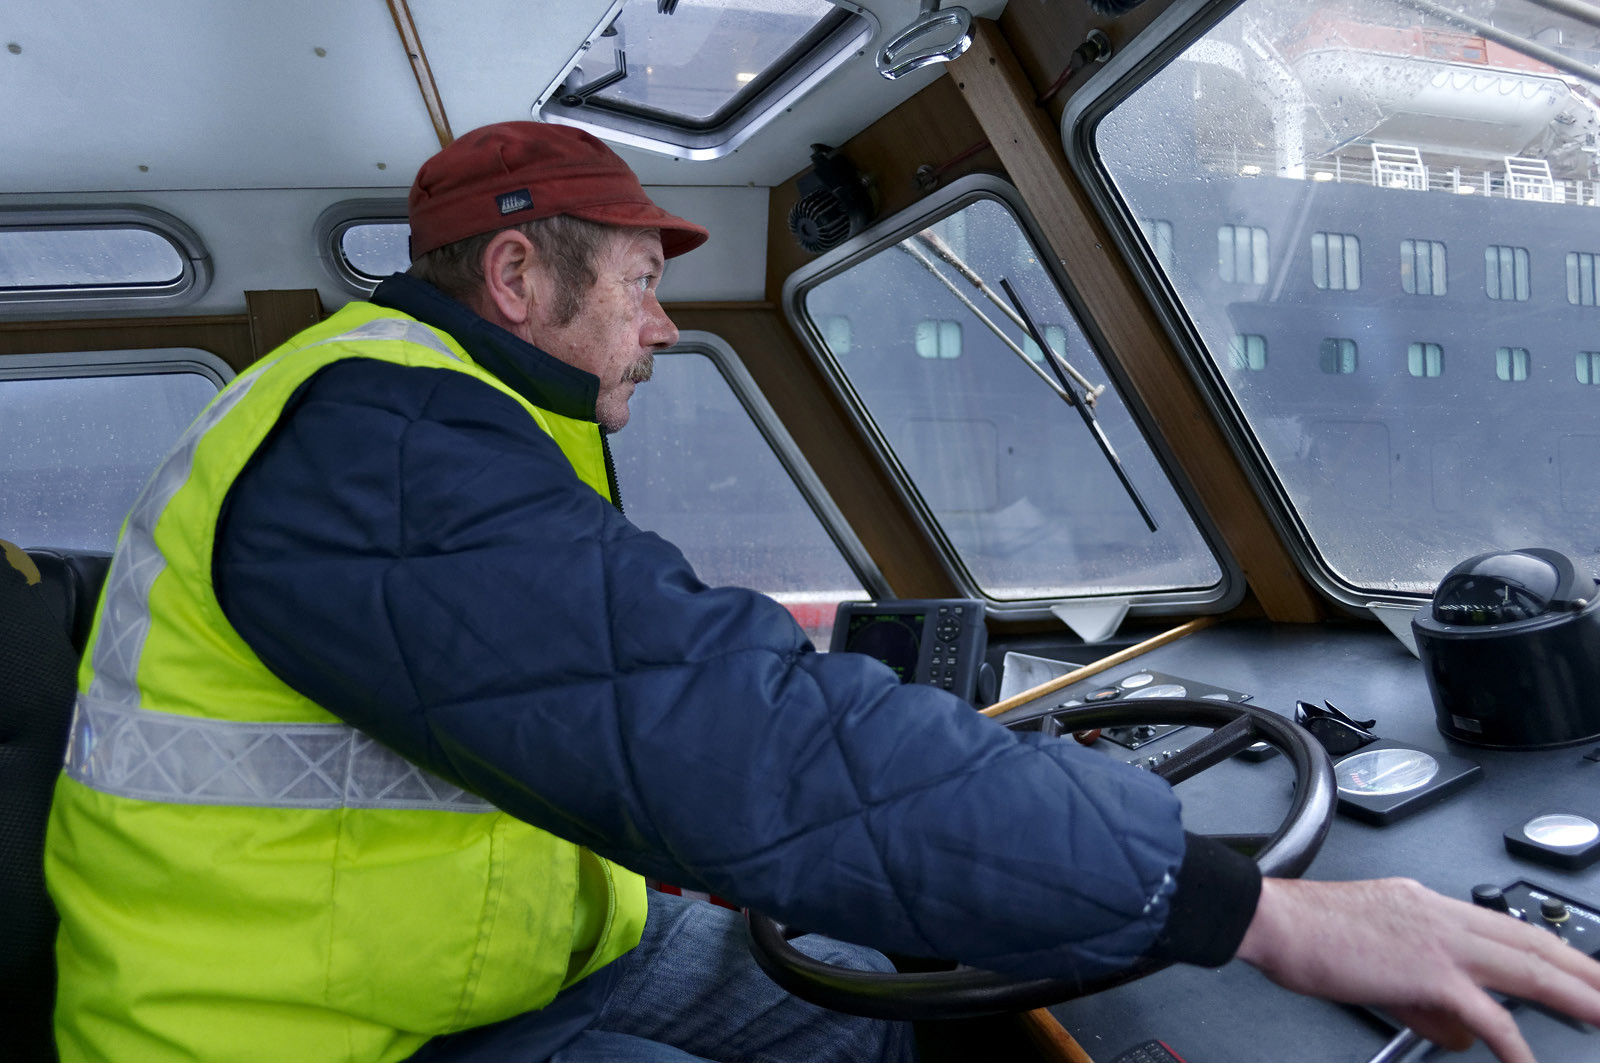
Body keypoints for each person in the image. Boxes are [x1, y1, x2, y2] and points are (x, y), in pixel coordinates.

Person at [43, 122, 1600, 1063]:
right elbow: (734, 731)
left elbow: (597, 718)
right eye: (642, 285)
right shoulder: (382, 447)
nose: (657, 328)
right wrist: (1246, 909)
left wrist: (706, 851)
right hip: (310, 1034)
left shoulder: (442, 418)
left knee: (863, 995)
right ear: (520, 286)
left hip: (491, 950)